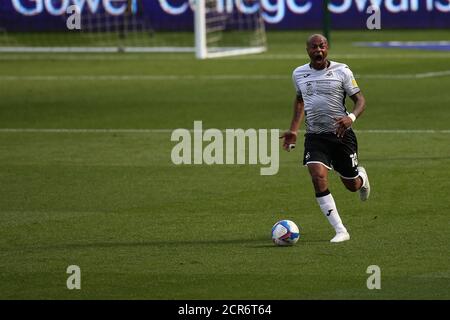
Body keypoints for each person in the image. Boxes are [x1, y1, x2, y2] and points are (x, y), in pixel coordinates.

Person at [280, 34, 371, 243]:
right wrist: (293, 129)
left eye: (321, 46)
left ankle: (362, 178)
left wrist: (351, 117)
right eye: (314, 47)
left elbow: (361, 100)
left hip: (341, 136)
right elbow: (300, 100)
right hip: (315, 137)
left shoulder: (342, 71)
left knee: (352, 185)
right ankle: (340, 230)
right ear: (307, 50)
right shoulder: (299, 74)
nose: (318, 50)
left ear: (327, 48)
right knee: (317, 176)